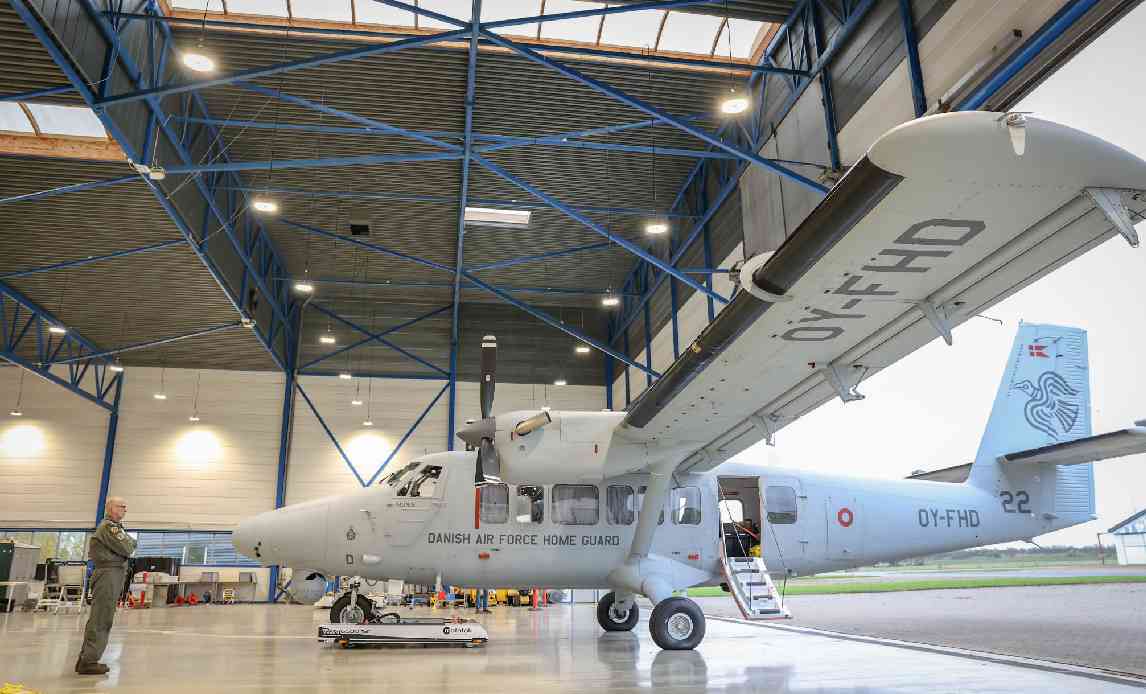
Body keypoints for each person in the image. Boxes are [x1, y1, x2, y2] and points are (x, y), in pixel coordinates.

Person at [75, 496, 136, 676]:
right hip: (108, 574)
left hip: (113, 573)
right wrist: (128, 543)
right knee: (101, 618)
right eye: (122, 506)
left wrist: (129, 542)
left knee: (101, 617)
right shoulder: (109, 527)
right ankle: (89, 661)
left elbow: (131, 543)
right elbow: (128, 548)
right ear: (110, 508)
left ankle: (86, 658)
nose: (125, 509)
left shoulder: (115, 528)